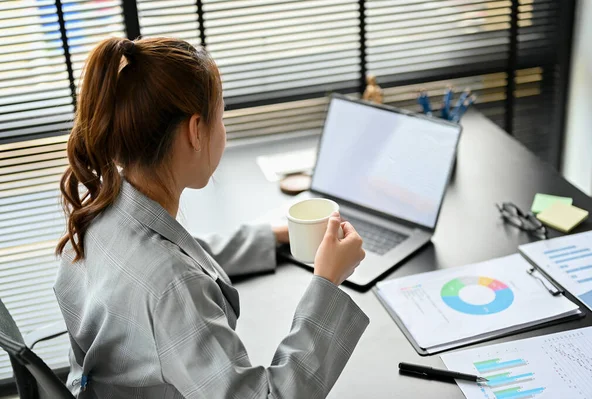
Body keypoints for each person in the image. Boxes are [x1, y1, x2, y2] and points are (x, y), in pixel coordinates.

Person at [54, 37, 369, 398]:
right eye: (221, 116)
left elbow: (180, 258)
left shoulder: (106, 208)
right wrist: (327, 282)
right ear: (195, 131)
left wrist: (274, 237)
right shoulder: (172, 288)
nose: (224, 131)